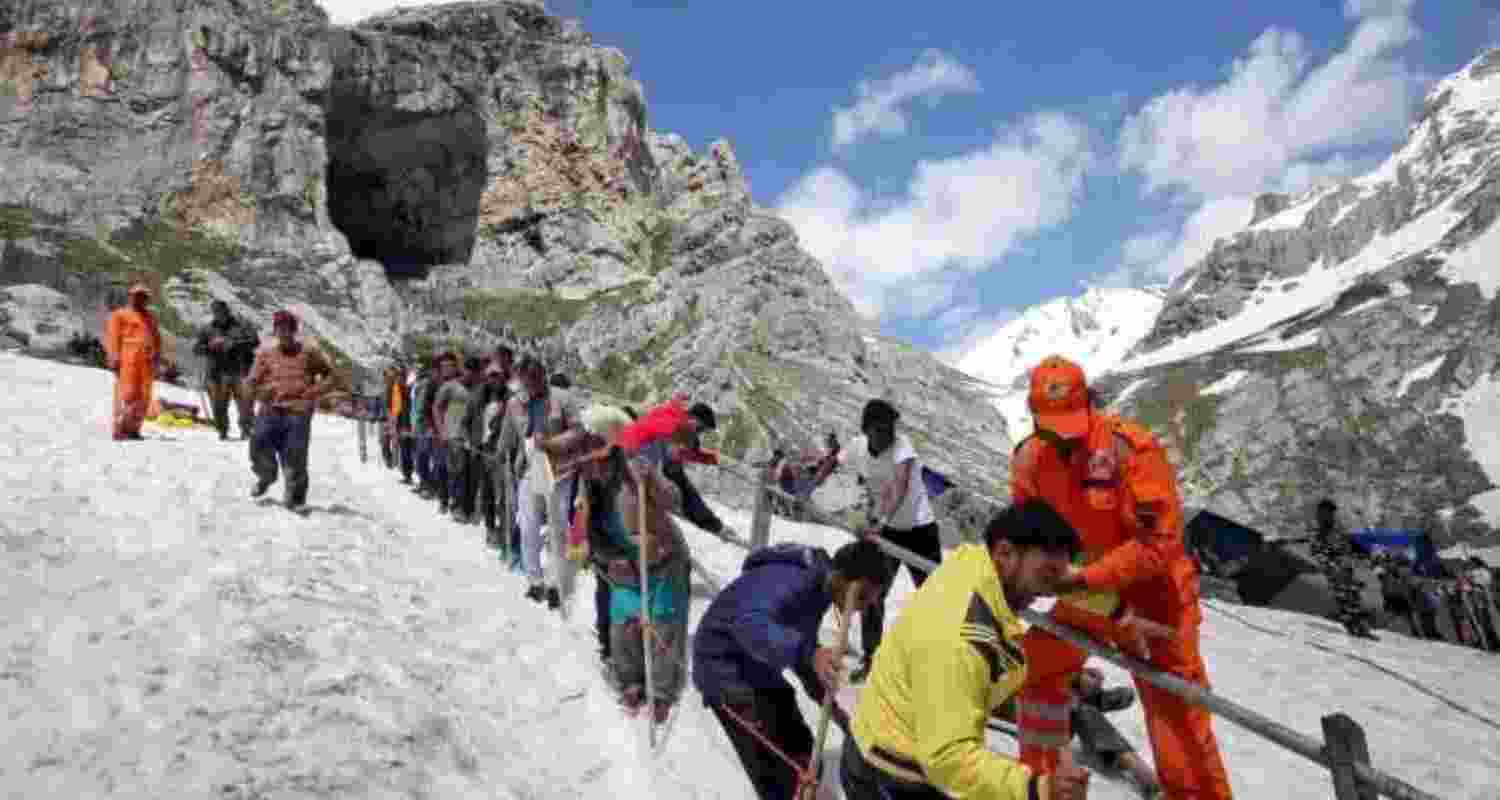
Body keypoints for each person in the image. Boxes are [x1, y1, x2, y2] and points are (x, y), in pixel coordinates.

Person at [1010, 355, 1232, 800]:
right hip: (1086, 597)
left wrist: (1086, 578)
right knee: (1036, 669)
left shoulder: (1130, 450)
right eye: (1049, 426)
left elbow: (1158, 544)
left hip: (1154, 602)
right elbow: (1026, 531)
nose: (1061, 436)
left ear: (1090, 405)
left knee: (1177, 720)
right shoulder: (1030, 460)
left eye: (1069, 422)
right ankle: (1043, 784)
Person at [842, 499, 1091, 800]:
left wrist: (1116, 611)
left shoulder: (971, 564)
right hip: (892, 773)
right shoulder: (961, 638)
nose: (1048, 590)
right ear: (1005, 553)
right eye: (1046, 573)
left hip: (885, 737)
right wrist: (1037, 788)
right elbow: (948, 756)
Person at [694, 539, 888, 800]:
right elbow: (749, 625)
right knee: (783, 775)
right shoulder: (794, 581)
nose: (863, 607)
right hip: (724, 669)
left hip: (758, 667)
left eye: (871, 602)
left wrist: (839, 711)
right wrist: (809, 653)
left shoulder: (819, 589)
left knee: (806, 760)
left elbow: (803, 652)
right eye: (862, 596)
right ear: (843, 577)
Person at [842, 398, 941, 682]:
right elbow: (834, 460)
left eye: (891, 428)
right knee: (873, 592)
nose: (889, 434)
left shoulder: (902, 446)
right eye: (881, 429)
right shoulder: (858, 445)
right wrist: (811, 479)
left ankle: (936, 663)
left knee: (934, 597)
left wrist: (876, 521)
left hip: (920, 531)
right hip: (889, 530)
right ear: (868, 430)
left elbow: (899, 487)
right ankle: (872, 656)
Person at [245, 310, 340, 511]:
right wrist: (261, 393)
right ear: (275, 331)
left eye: (287, 329)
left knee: (295, 455)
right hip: (270, 410)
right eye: (280, 329)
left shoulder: (309, 353)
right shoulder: (265, 354)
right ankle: (266, 475)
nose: (284, 333)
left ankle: (296, 499)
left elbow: (331, 377)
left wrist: (313, 392)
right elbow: (251, 382)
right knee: (258, 444)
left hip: (298, 412)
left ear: (294, 331)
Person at [192, 299, 259, 441]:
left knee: (245, 402)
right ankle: (222, 430)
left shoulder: (242, 325)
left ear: (227, 311)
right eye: (216, 312)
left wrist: (233, 344)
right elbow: (196, 349)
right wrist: (210, 347)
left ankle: (246, 429)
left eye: (222, 311)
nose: (219, 314)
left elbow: (254, 341)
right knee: (218, 403)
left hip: (240, 370)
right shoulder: (207, 329)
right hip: (216, 372)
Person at [104, 284, 162, 441]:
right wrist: (114, 357)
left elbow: (156, 339)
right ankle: (120, 428)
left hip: (147, 361)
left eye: (143, 296)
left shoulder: (150, 318)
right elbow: (113, 337)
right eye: (137, 295)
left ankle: (134, 429)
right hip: (128, 359)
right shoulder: (120, 315)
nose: (140, 299)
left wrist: (157, 356)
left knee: (144, 396)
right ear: (130, 296)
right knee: (127, 393)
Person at [1312, 499, 1377, 640]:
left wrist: (1359, 551)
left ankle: (1361, 628)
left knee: (1353, 598)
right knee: (1346, 600)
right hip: (1336, 571)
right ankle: (1355, 628)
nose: (1332, 515)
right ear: (1323, 513)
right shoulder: (1320, 532)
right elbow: (1318, 553)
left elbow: (1349, 545)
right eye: (1329, 512)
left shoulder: (1336, 530)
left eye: (1332, 512)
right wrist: (1331, 566)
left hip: (1345, 569)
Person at [436, 356, 481, 522]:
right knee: (457, 471)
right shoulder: (450, 387)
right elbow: (437, 408)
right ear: (466, 371)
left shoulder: (478, 389)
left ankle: (468, 508)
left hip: (473, 439)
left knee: (471, 474)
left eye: (476, 373)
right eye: (471, 372)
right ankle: (456, 507)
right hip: (454, 435)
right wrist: (442, 430)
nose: (474, 376)